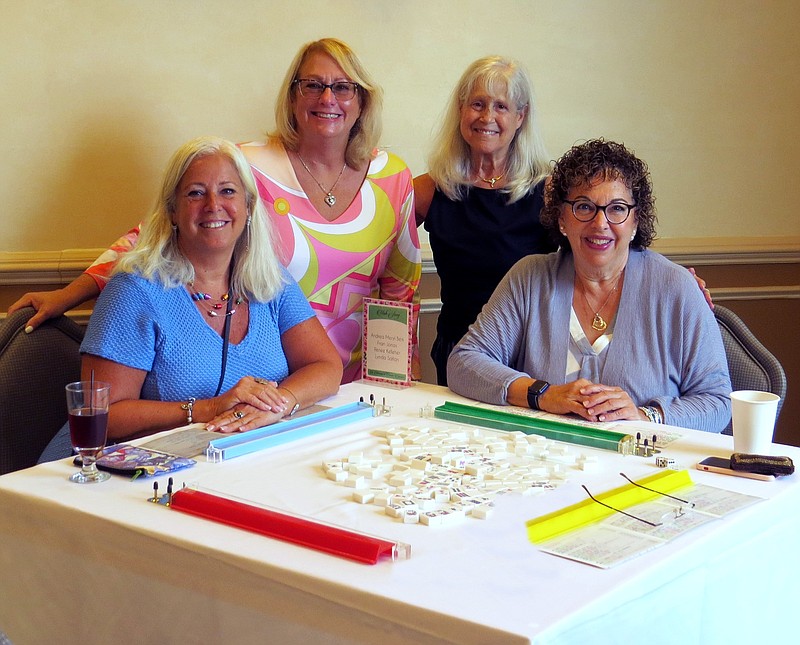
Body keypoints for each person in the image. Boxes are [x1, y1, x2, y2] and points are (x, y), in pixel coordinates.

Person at [10, 38, 421, 385]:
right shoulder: (246, 165)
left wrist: (402, 385)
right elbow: (149, 238)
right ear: (293, 97)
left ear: (362, 100)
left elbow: (400, 293)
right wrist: (67, 294)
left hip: (341, 385)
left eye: (343, 87)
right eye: (312, 85)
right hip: (258, 379)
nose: (327, 98)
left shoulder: (392, 177)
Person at [39, 137, 342, 459]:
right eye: (195, 193)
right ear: (172, 210)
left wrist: (277, 404)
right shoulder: (134, 289)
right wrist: (209, 408)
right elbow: (103, 416)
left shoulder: (270, 280)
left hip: (218, 463)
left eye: (228, 191)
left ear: (249, 206)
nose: (213, 205)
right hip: (110, 474)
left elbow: (325, 366)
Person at [447, 139, 731, 432]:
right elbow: (464, 363)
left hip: (642, 470)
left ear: (635, 221)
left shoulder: (676, 289)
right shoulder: (530, 279)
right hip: (544, 463)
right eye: (584, 206)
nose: (600, 223)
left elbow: (718, 402)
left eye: (617, 208)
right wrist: (543, 394)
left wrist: (646, 416)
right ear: (561, 218)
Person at [414, 56, 557, 386]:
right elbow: (372, 248)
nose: (487, 117)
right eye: (477, 103)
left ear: (521, 116)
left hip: (529, 357)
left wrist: (677, 283)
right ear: (461, 110)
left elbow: (601, 250)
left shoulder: (549, 192)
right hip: (458, 352)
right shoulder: (430, 188)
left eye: (501, 106)